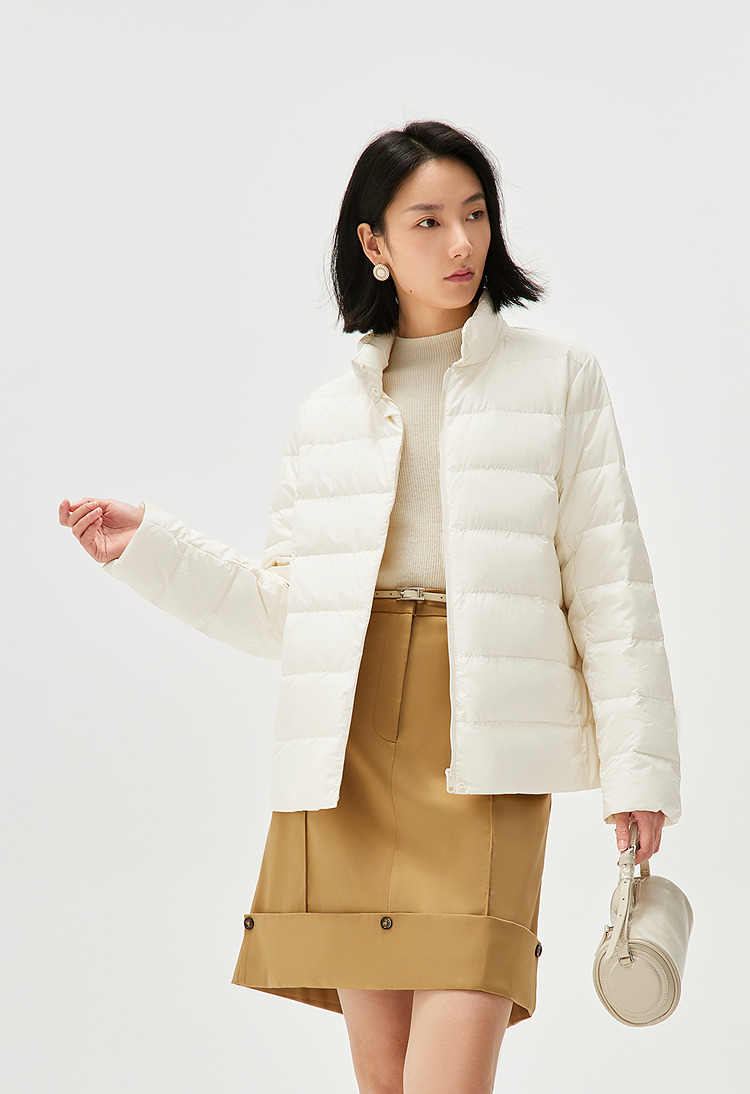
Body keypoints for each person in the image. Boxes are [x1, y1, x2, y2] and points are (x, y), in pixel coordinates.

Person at [59, 119, 681, 1094]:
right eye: (428, 220)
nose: (462, 242)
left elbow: (611, 588)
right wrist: (151, 547)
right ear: (373, 243)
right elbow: (286, 610)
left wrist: (638, 769)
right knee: (386, 1084)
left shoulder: (561, 380)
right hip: (347, 750)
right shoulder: (328, 414)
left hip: (485, 751)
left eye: (475, 214)